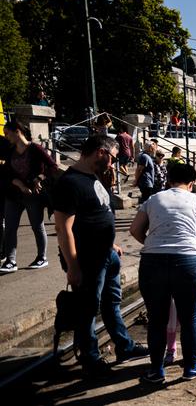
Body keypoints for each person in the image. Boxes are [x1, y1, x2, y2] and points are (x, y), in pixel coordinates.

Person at [53, 136, 148, 377]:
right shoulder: (69, 183)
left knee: (111, 305)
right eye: (113, 158)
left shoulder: (92, 177)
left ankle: (124, 347)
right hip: (87, 260)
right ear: (100, 152)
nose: (113, 164)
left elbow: (96, 213)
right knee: (87, 310)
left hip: (106, 255)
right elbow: (63, 229)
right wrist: (73, 266)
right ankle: (90, 357)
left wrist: (111, 243)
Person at [129, 163, 196, 383]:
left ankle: (156, 371)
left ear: (168, 180)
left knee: (157, 318)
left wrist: (152, 244)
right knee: (188, 317)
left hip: (152, 262)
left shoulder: (153, 199)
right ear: (191, 184)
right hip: (186, 261)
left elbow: (134, 230)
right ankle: (190, 368)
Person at [0, 121, 57, 273]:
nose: (6, 137)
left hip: (33, 195)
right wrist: (18, 183)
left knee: (37, 226)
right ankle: (11, 261)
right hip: (13, 194)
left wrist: (39, 178)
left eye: (7, 133)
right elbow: (5, 172)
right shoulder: (9, 150)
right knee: (10, 228)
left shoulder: (35, 148)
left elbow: (53, 166)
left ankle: (42, 257)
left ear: (17, 131)